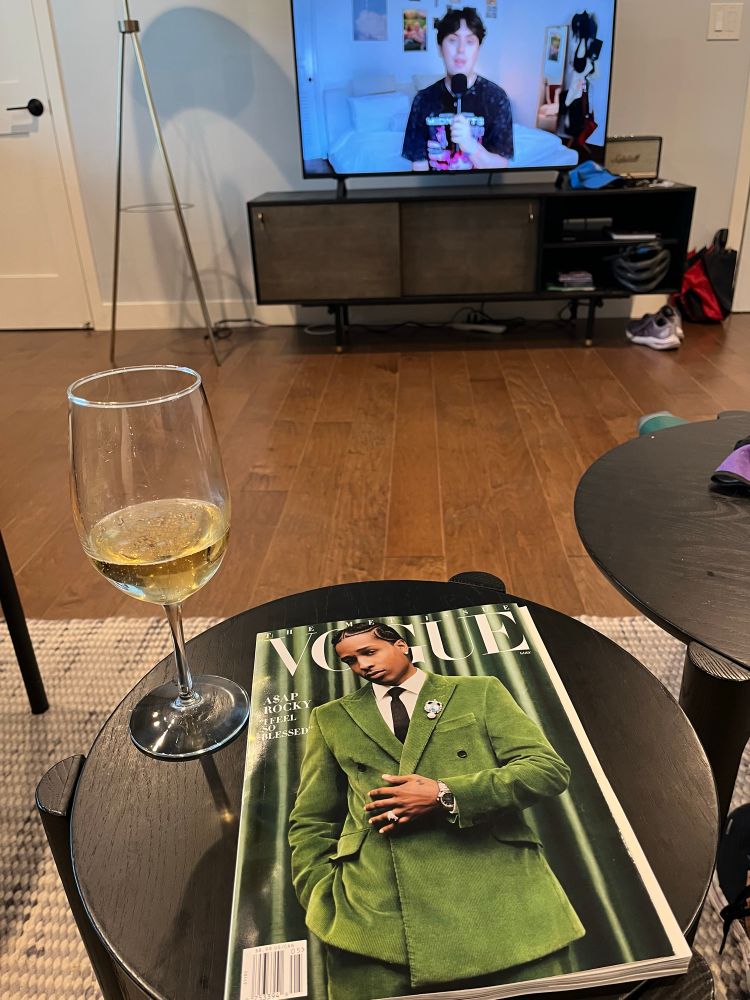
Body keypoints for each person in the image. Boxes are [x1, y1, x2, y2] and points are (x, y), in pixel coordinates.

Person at [288, 621, 585, 1000]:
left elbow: (547, 770)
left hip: (504, 904)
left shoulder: (478, 693)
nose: (362, 665)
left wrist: (444, 793)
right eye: (350, 661)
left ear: (403, 647)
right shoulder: (331, 717)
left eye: (369, 652)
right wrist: (319, 894)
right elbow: (312, 818)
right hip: (374, 918)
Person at [402, 7, 514, 171]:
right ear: (440, 48)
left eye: (469, 41)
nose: (461, 49)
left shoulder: (496, 98)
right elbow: (419, 165)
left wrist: (470, 145)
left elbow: (502, 167)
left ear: (478, 49)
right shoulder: (423, 99)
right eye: (453, 40)